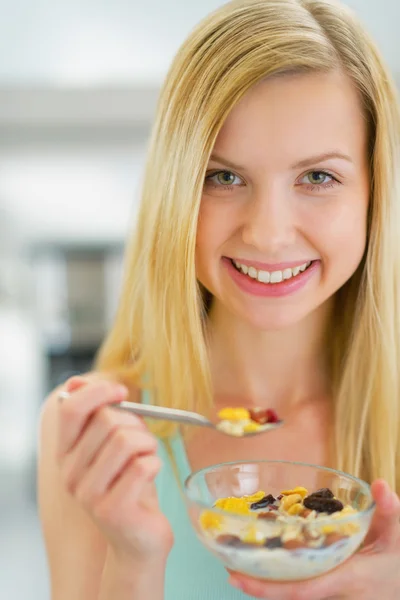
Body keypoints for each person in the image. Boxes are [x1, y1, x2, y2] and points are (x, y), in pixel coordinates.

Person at [38, 0, 400, 598]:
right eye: (223, 177)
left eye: (317, 177)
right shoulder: (93, 430)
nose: (268, 232)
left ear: (373, 193)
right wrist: (133, 561)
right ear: (175, 191)